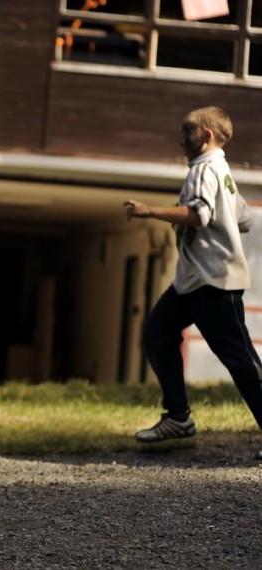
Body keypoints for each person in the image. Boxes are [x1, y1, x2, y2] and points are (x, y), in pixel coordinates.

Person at [124, 106, 262, 455]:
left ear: (207, 135)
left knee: (241, 361)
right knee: (157, 334)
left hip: (214, 283)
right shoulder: (221, 171)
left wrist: (150, 211)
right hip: (191, 281)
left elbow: (198, 214)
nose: (181, 140)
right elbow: (243, 219)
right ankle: (178, 418)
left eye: (187, 132)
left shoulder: (205, 169)